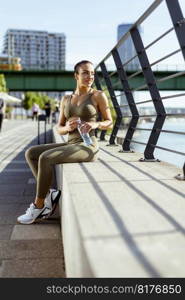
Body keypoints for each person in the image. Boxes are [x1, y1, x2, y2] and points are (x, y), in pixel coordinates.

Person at [17, 60, 113, 224]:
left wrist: (95, 124)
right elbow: (59, 128)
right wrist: (67, 127)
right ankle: (49, 194)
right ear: (76, 75)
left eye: (92, 73)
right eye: (85, 72)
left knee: (45, 158)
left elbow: (109, 122)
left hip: (87, 146)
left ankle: (39, 206)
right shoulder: (66, 99)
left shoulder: (98, 95)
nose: (89, 76)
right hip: (71, 143)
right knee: (31, 153)